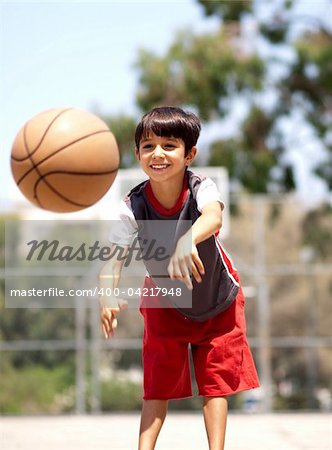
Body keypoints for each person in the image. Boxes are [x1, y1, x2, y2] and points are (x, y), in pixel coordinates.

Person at [100, 106, 260, 450]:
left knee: (214, 383)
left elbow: (214, 217)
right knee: (156, 386)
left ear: (190, 154)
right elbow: (112, 259)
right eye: (148, 146)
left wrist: (187, 240)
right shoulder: (132, 206)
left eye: (169, 145)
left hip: (216, 299)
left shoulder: (201, 186)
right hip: (165, 301)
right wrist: (107, 294)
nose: (157, 153)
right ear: (137, 154)